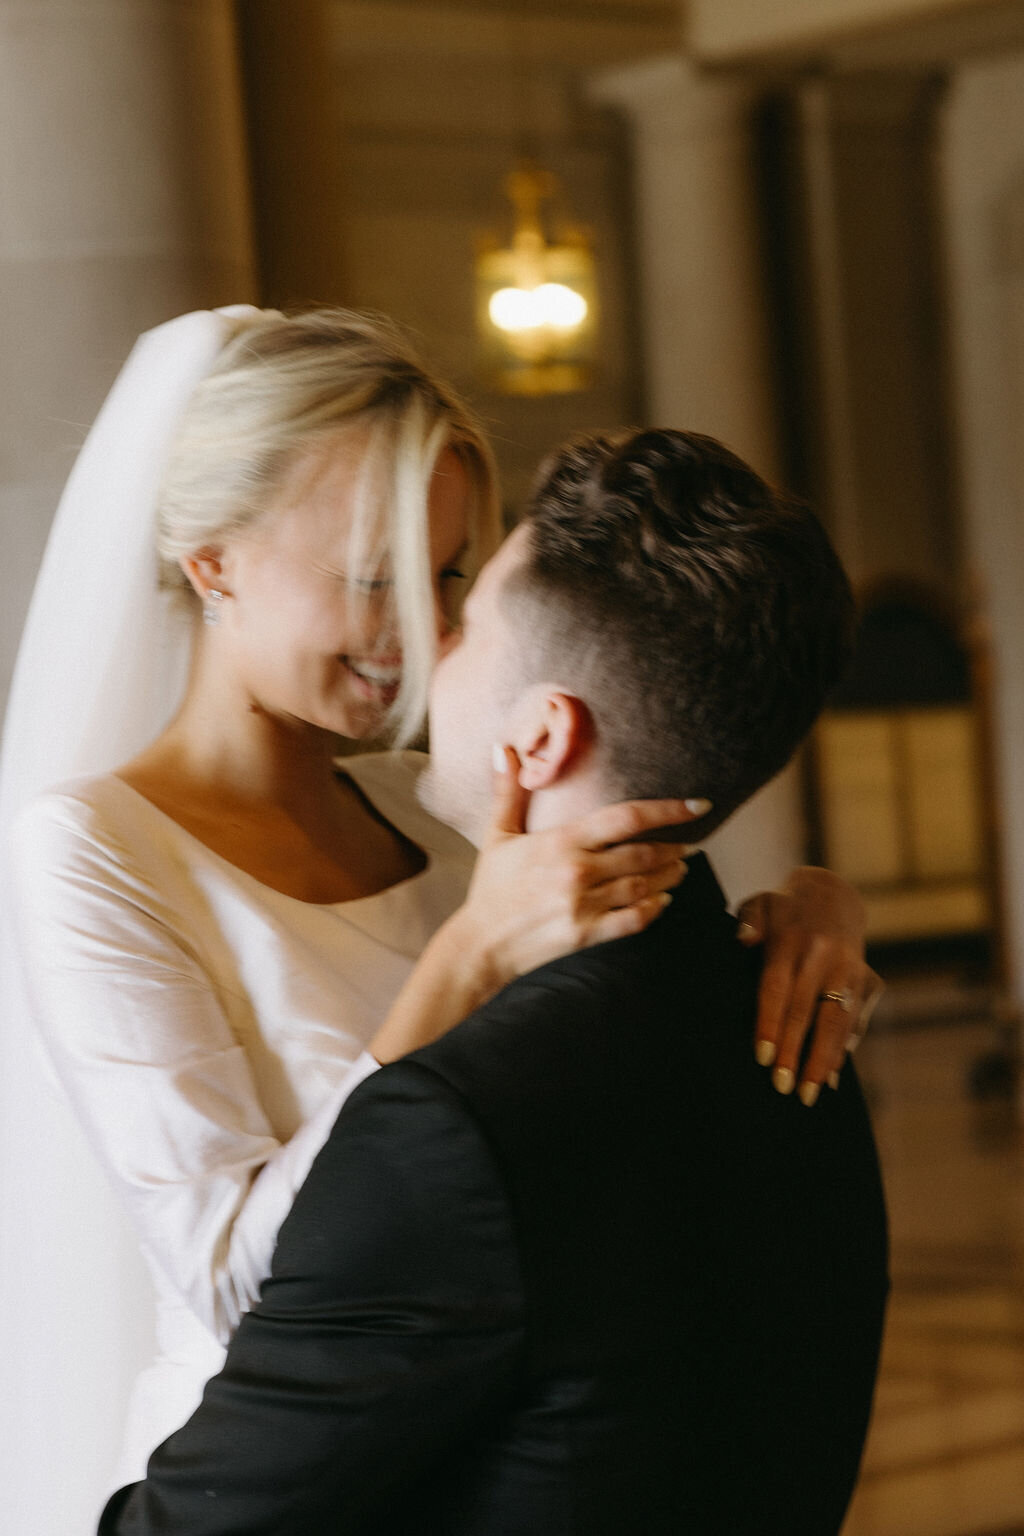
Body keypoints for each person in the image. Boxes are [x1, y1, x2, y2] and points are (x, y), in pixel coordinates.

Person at [0, 310, 875, 1536]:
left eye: (451, 575)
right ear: (214, 561)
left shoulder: (442, 799)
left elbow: (652, 801)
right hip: (270, 1482)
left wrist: (812, 907)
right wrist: (459, 963)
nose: (423, 631)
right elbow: (231, 1286)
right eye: (374, 579)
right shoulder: (92, 850)